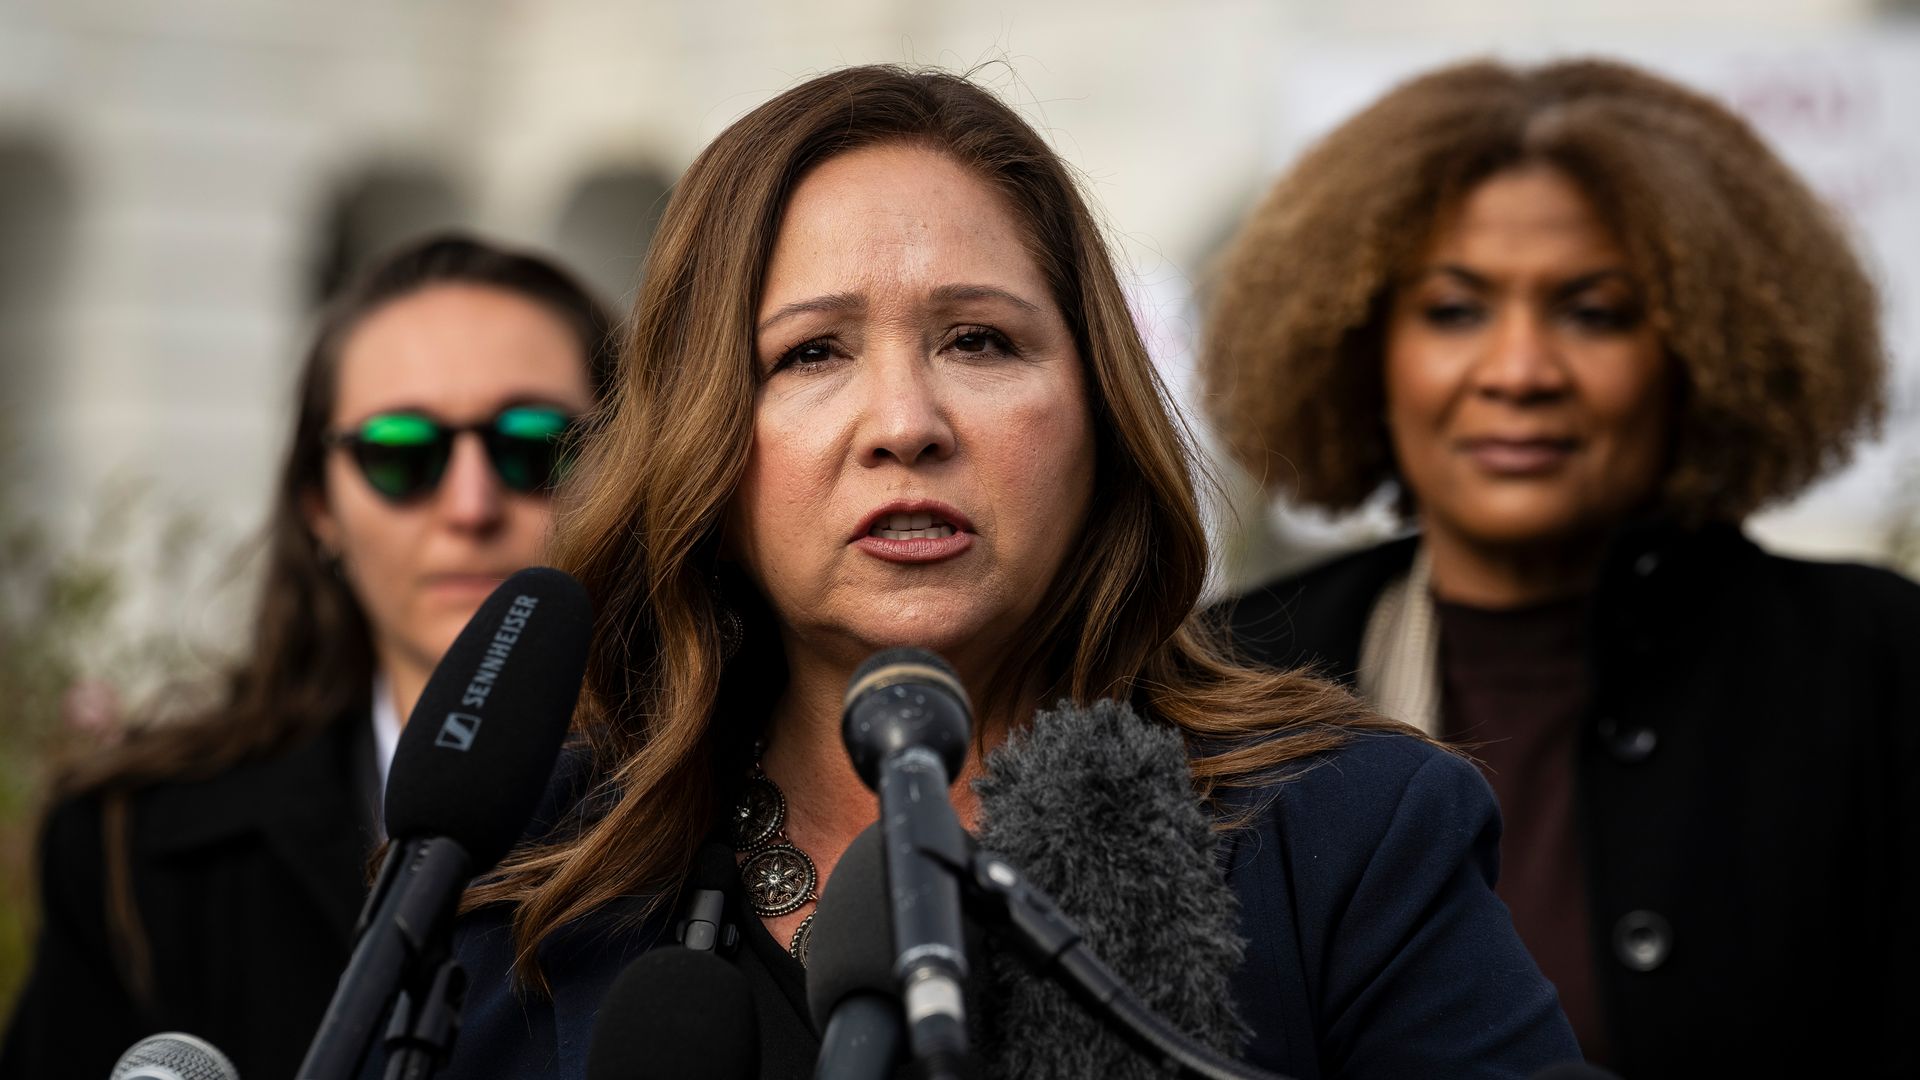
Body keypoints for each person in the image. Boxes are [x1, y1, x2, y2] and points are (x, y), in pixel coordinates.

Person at [411, 66, 1580, 1080]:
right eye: (811, 352)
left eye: (979, 339)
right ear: (706, 440)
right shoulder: (528, 872)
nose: (905, 424)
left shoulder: (1349, 834)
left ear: (1096, 417)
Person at [1204, 58, 1920, 1078]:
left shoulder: (1876, 667)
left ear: (1704, 350)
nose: (1520, 371)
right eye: (1455, 310)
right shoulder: (1229, 674)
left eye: (1594, 311)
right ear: (1361, 347)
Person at [0, 234, 616, 1080]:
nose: (471, 505)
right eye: (401, 452)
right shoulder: (133, 849)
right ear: (319, 506)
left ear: (626, 471)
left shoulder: (731, 818)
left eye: (537, 446)